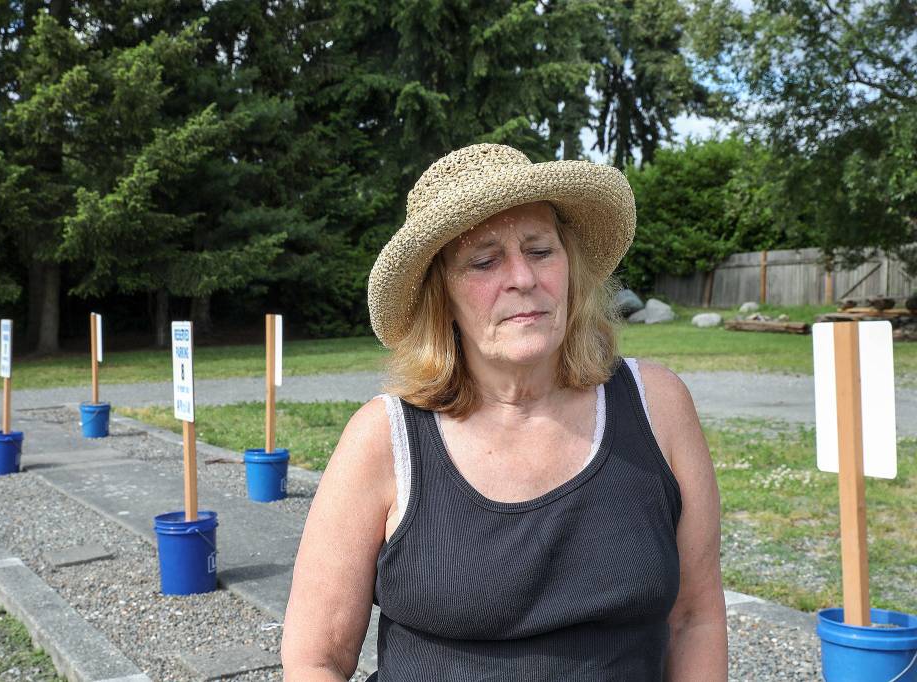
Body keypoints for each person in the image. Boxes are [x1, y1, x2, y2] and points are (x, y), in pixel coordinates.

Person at [281, 143, 727, 680]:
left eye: (540, 251)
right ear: (440, 295)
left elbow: (695, 618)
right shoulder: (384, 438)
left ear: (570, 265)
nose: (523, 278)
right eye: (485, 261)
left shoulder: (658, 406)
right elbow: (316, 658)